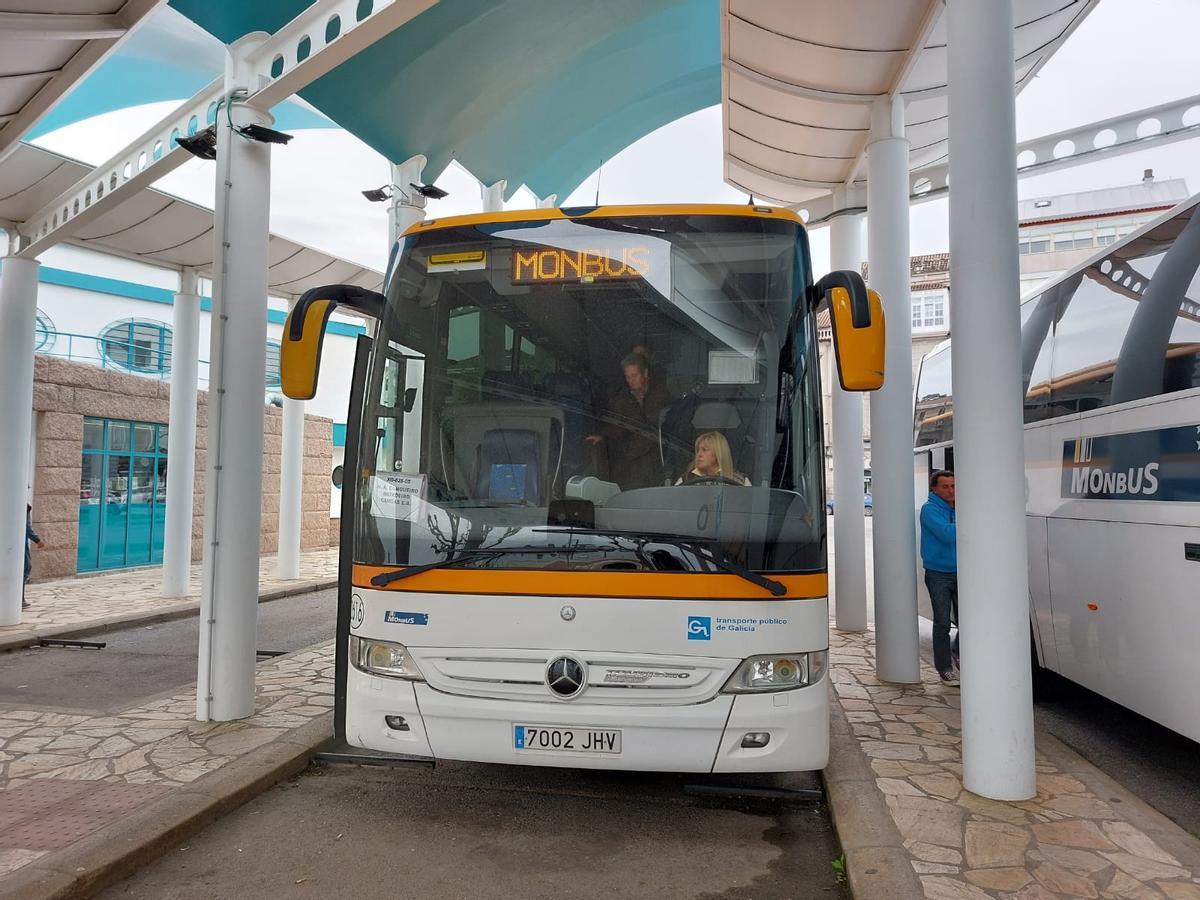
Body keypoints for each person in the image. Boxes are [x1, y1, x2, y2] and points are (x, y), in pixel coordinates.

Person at [586, 352, 671, 490]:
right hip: (630, 462)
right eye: (627, 377)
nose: (631, 380)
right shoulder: (620, 399)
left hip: (657, 459)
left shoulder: (662, 396)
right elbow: (617, 426)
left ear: (645, 373)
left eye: (634, 375)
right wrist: (603, 435)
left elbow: (663, 427)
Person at [920, 470, 959, 684]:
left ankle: (958, 652)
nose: (950, 490)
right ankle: (944, 668)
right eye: (945, 486)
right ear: (934, 488)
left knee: (969, 620)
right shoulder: (929, 510)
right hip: (938, 574)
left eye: (953, 486)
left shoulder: (959, 507)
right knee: (942, 622)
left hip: (962, 571)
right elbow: (947, 534)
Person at [676, 431, 751, 485]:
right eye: (698, 450)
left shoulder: (740, 482)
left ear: (719, 453)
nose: (699, 454)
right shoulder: (685, 481)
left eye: (705, 450)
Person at [23, 503, 44, 610]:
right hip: (18, 543)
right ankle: (19, 599)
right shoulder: (23, 505)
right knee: (26, 567)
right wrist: (37, 540)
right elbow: (27, 527)